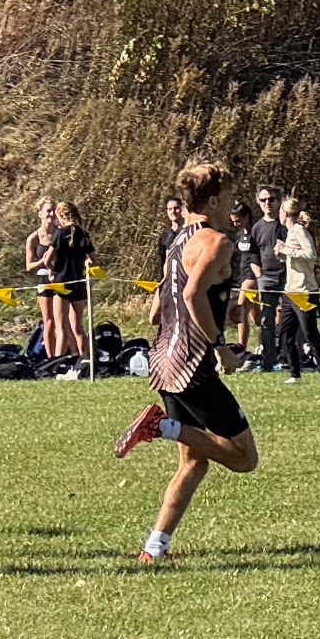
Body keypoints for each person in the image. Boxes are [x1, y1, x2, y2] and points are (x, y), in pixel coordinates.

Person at [115, 162, 259, 561]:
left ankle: (153, 549)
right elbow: (194, 295)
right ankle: (161, 426)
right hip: (192, 362)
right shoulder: (217, 242)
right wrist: (220, 346)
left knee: (195, 460)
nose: (233, 203)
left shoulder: (178, 240)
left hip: (164, 359)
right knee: (243, 458)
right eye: (228, 196)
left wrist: (223, 310)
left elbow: (163, 302)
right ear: (213, 200)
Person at [274, 200, 320, 385]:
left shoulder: (299, 231)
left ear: (285, 213)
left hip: (304, 292)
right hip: (290, 292)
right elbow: (293, 260)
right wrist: (280, 253)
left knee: (310, 333)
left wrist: (286, 250)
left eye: (279, 211)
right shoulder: (290, 233)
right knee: (285, 334)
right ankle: (294, 373)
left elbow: (310, 254)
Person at [46, 201, 94, 358]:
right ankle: (85, 359)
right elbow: (93, 259)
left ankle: (59, 362)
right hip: (78, 283)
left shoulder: (60, 234)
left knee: (61, 328)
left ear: (61, 216)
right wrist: (85, 263)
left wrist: (51, 270)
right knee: (78, 327)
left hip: (61, 283)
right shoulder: (83, 234)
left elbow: (48, 259)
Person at [248, 187, 287, 370]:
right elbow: (253, 255)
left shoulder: (286, 226)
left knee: (292, 319)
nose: (267, 203)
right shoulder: (256, 227)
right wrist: (259, 275)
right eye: (263, 200)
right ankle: (269, 360)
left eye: (271, 199)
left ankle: (291, 358)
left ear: (278, 201)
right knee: (266, 321)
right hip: (266, 278)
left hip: (288, 277)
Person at [25, 199, 58, 358]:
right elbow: (29, 266)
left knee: (63, 321)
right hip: (43, 281)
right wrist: (43, 261)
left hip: (61, 280)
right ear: (40, 214)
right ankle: (51, 358)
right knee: (49, 321)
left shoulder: (61, 233)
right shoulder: (34, 237)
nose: (51, 214)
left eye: (54, 210)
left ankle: (66, 355)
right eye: (48, 211)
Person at [228, 201, 256, 352]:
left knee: (241, 309)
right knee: (258, 319)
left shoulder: (256, 231)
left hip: (254, 277)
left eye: (238, 220)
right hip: (244, 276)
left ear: (246, 217)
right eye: (233, 222)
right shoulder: (240, 235)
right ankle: (272, 341)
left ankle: (241, 346)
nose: (236, 224)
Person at [154, 194, 186, 277]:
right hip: (168, 278)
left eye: (176, 208)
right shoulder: (165, 234)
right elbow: (162, 260)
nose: (173, 212)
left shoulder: (187, 231)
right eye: (170, 209)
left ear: (182, 210)